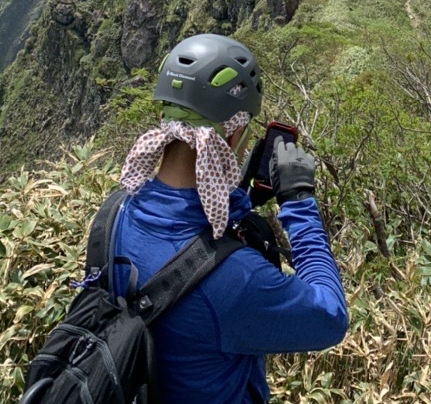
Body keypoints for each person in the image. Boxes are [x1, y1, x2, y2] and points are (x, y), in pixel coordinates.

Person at [111, 33, 348, 404]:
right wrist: (299, 201)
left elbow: (187, 241)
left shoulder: (115, 214)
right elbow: (330, 316)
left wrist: (240, 197)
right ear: (234, 131)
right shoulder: (236, 281)